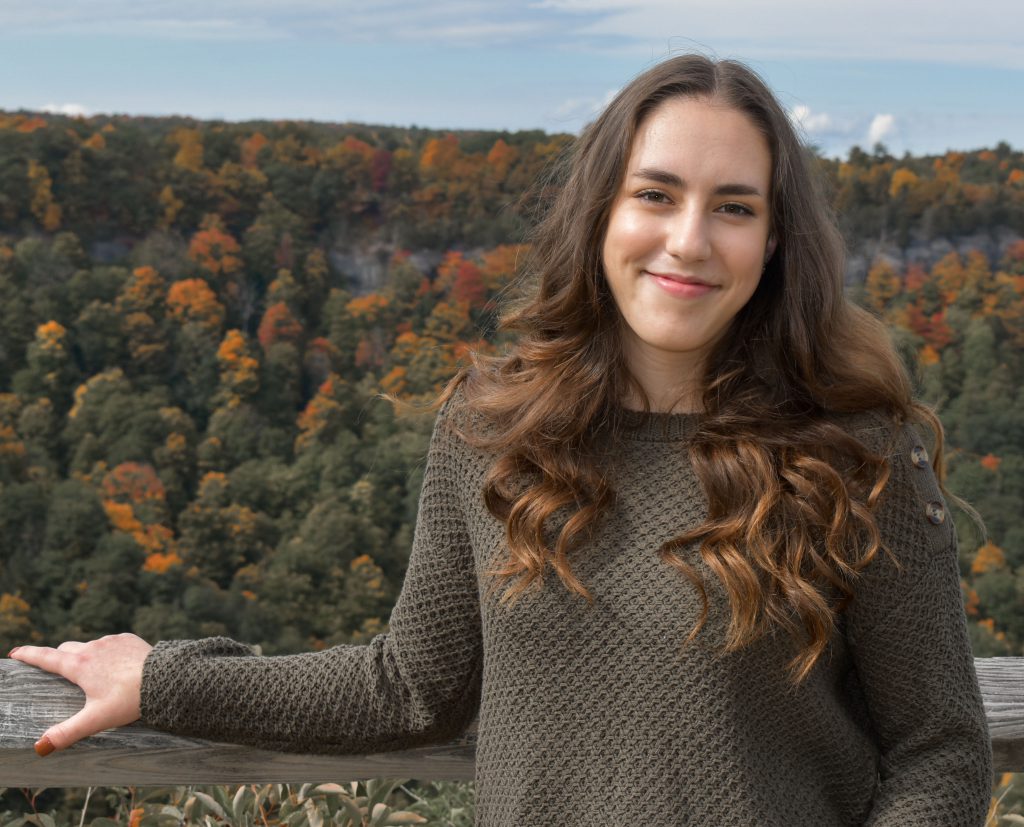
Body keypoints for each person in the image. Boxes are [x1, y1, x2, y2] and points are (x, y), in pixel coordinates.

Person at [9, 54, 992, 825]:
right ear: (602, 209)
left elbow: (943, 746)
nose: (690, 240)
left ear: (774, 239)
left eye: (733, 207)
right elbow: (409, 687)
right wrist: (164, 679)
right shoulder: (493, 430)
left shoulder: (857, 450)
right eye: (655, 194)